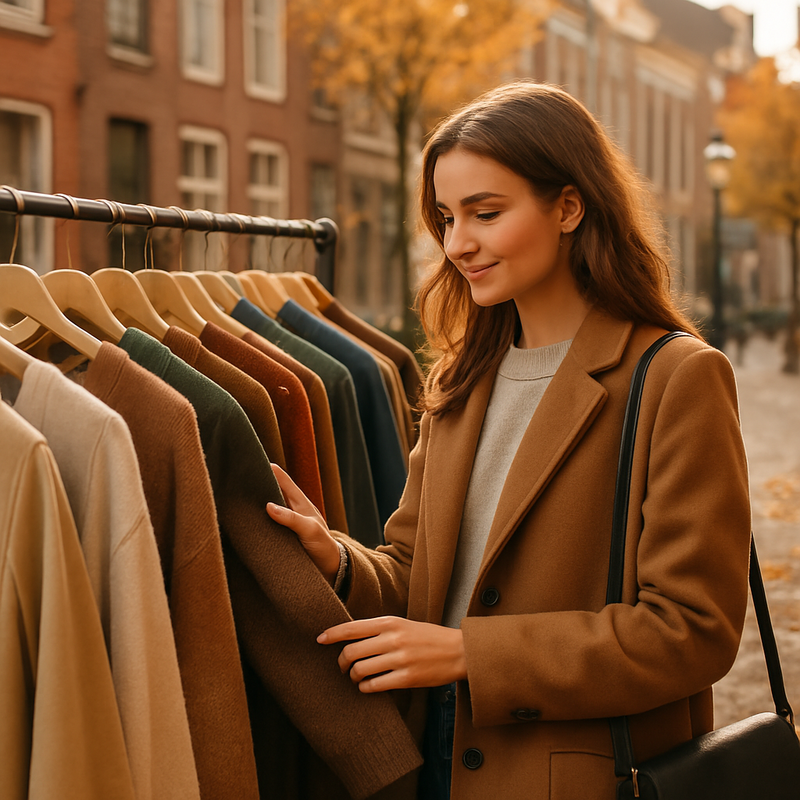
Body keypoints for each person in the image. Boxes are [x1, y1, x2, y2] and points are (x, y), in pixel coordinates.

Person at [266, 81, 752, 800]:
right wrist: (336, 560)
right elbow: (416, 576)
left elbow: (691, 631)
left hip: (577, 778)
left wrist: (472, 655)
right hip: (433, 760)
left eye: (485, 213)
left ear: (568, 207)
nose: (457, 243)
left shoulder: (675, 377)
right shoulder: (464, 377)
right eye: (446, 217)